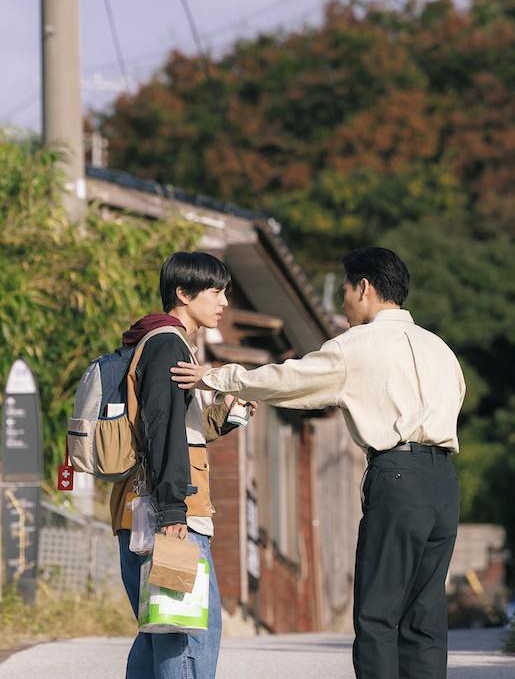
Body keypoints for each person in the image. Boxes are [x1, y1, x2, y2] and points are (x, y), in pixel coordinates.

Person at [172, 246, 466, 679]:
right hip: (445, 483)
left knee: (378, 616)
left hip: (398, 477)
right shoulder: (441, 349)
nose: (343, 303)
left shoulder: (358, 345)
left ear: (364, 288)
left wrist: (217, 376)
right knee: (426, 615)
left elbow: (290, 380)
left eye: (345, 290)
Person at [112, 251, 252, 679]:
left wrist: (226, 416)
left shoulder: (151, 343)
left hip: (143, 507)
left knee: (160, 631)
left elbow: (174, 427)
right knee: (188, 635)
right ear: (182, 293)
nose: (224, 301)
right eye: (215, 291)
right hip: (170, 515)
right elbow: (165, 431)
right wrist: (174, 511)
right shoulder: (168, 345)